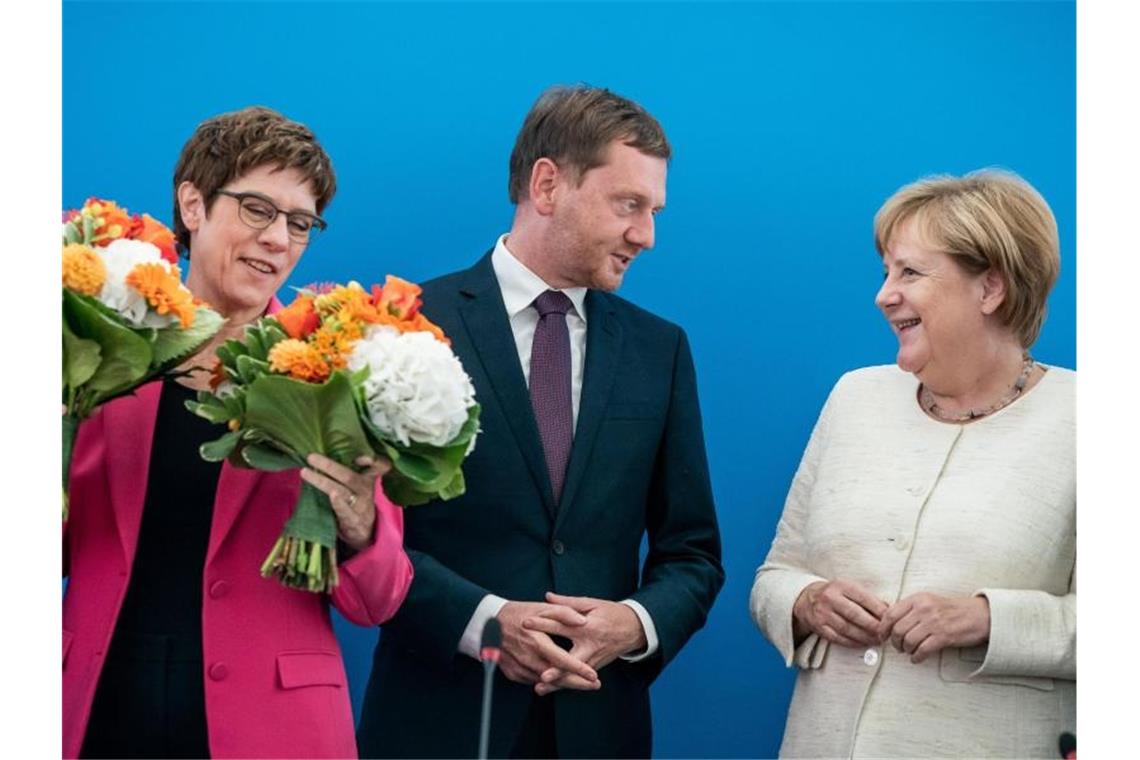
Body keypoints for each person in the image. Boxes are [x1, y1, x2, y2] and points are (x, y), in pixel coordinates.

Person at [356, 85, 724, 759]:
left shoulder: (660, 351)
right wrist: (485, 622)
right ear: (548, 184)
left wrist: (633, 623)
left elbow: (692, 555)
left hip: (597, 727)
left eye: (653, 210)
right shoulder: (404, 325)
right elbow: (364, 535)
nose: (647, 235)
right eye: (629, 205)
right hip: (433, 725)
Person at [63, 106, 414, 759]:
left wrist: (361, 524)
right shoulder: (100, 345)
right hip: (94, 715)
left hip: (271, 729)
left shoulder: (336, 369)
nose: (280, 237)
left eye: (300, 222)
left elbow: (380, 600)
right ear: (192, 206)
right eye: (258, 209)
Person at [750, 170, 1075, 758]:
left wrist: (987, 619)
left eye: (910, 272)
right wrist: (806, 602)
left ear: (990, 290)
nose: (884, 294)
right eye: (885, 272)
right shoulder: (854, 397)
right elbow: (774, 576)